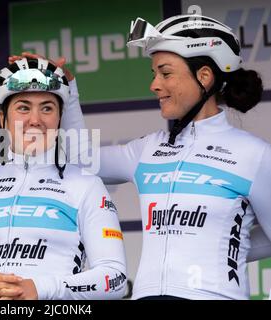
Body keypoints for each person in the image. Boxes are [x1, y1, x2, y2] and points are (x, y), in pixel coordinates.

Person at [61, 14, 271, 300]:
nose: (154, 85)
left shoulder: (254, 155)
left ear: (205, 77)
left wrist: (229, 248)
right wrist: (68, 91)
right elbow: (81, 160)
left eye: (166, 73)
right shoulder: (147, 150)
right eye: (154, 74)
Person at [0, 57, 127, 300]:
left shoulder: (86, 185)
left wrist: (40, 289)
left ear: (59, 118)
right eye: (23, 107)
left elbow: (115, 279)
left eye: (47, 108)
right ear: (3, 117)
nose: (35, 120)